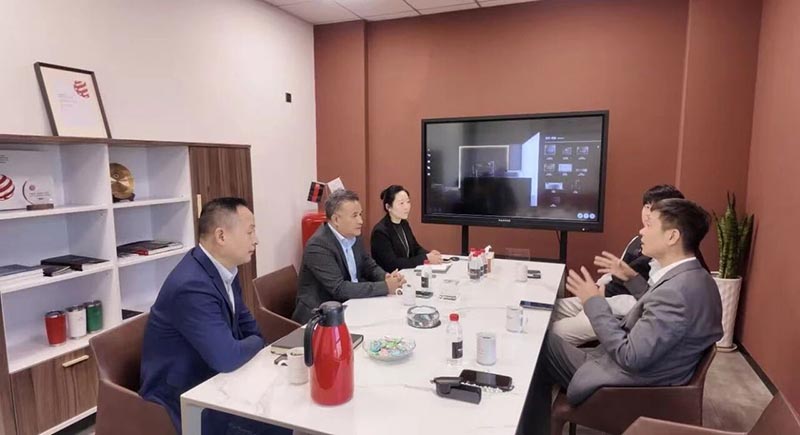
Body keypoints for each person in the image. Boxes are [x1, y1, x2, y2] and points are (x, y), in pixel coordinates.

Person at [518, 198, 723, 435]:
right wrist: (632, 279)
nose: (641, 231)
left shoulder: (676, 293)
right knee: (543, 342)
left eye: (649, 225)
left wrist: (594, 303)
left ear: (672, 236)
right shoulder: (696, 277)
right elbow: (659, 317)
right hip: (650, 372)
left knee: (537, 344)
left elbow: (630, 356)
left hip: (629, 383)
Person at [139, 197, 289, 435]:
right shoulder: (191, 286)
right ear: (221, 236)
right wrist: (256, 343)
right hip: (183, 395)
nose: (256, 240)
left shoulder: (224, 269)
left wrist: (252, 341)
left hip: (215, 376)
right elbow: (227, 357)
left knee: (283, 406)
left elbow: (247, 325)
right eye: (249, 232)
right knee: (278, 422)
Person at [550, 185, 685, 345]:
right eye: (647, 207)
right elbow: (617, 270)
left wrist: (599, 303)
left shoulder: (669, 257)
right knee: (547, 310)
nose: (648, 214)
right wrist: (598, 288)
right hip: (605, 296)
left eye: (655, 209)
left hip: (618, 311)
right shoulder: (638, 240)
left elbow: (646, 304)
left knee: (552, 332)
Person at [292, 189, 406, 324]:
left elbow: (368, 265)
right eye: (354, 216)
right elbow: (339, 289)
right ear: (336, 219)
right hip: (320, 316)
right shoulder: (318, 246)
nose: (361, 221)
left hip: (351, 304)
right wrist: (385, 286)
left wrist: (385, 277)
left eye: (360, 214)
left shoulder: (353, 235)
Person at [371, 185, 443, 272]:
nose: (406, 207)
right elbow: (393, 264)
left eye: (408, 202)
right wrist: (425, 258)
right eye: (401, 203)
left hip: (407, 273)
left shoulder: (403, 223)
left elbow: (415, 248)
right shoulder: (380, 232)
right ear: (388, 207)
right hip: (391, 276)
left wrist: (429, 254)